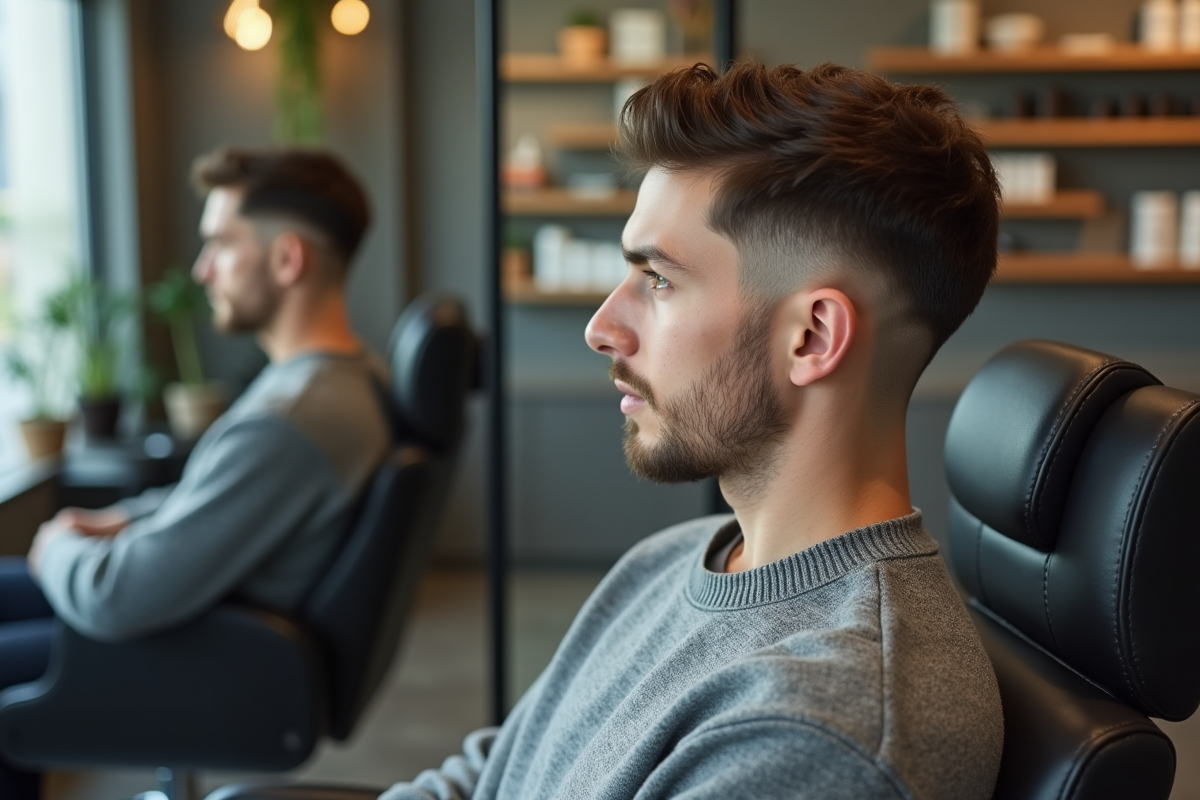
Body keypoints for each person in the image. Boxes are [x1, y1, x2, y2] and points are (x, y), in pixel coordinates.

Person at [382, 62, 1004, 800]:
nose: (600, 327)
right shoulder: (674, 559)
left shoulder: (818, 732)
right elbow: (493, 773)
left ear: (810, 337)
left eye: (659, 280)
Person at [0, 147, 392, 799]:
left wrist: (59, 545)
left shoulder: (293, 419)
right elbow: (208, 500)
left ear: (287, 259)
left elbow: (116, 596)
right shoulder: (345, 378)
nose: (201, 268)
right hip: (205, 615)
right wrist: (121, 519)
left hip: (203, 649)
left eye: (219, 244)